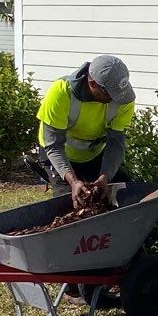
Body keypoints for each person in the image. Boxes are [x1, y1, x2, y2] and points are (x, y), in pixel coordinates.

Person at [36, 54, 136, 204]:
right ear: (93, 83)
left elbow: (116, 143)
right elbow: (54, 145)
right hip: (58, 153)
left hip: (93, 154)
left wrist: (105, 176)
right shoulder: (61, 93)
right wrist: (74, 181)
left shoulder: (123, 98)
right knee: (70, 203)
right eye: (111, 93)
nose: (118, 99)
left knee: (124, 196)